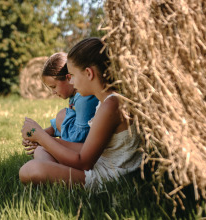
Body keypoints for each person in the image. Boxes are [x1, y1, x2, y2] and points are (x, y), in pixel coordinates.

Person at [20, 37, 142, 189]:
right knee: (41, 149)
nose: (71, 82)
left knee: (30, 170)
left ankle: (59, 177)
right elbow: (86, 150)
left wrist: (42, 136)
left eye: (73, 76)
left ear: (89, 73)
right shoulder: (107, 101)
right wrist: (43, 141)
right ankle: (58, 176)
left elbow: (84, 162)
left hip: (110, 176)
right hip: (102, 161)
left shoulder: (110, 106)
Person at [22, 52, 99, 155]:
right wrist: (37, 136)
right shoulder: (75, 96)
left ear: (68, 78)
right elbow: (58, 127)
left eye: (53, 87)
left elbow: (79, 139)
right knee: (40, 154)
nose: (53, 92)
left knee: (62, 115)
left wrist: (43, 140)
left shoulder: (83, 98)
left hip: (85, 152)